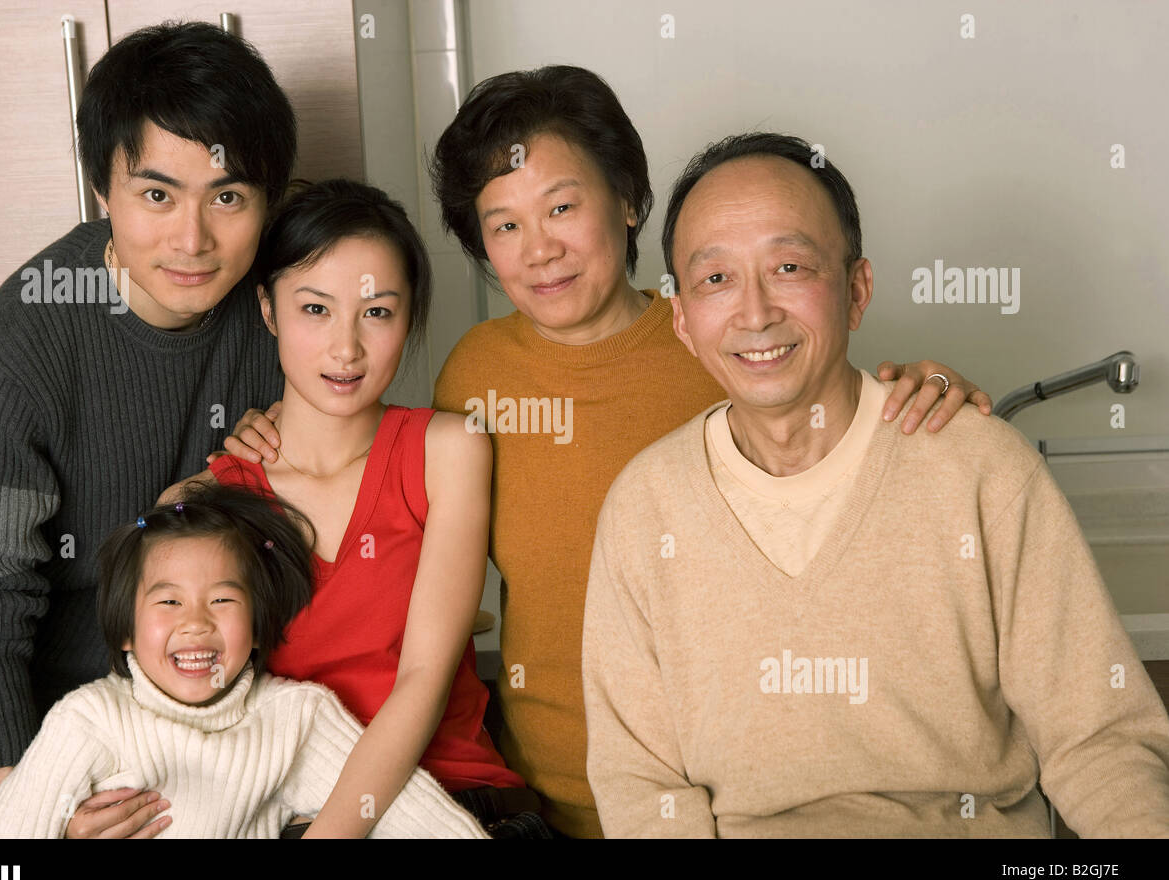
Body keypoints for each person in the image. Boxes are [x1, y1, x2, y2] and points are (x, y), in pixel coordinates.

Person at [228, 65, 994, 838]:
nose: (540, 251)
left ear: (627, 200)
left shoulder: (719, 335)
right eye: (504, 225)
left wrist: (923, 387)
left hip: (724, 804)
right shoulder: (475, 375)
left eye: (562, 206)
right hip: (539, 802)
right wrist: (263, 444)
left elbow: (834, 422)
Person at [582, 132, 1169, 837]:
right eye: (715, 279)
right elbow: (643, 786)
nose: (756, 312)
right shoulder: (647, 506)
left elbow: (1099, 739)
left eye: (790, 266)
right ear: (682, 319)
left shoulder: (981, 469)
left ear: (857, 289)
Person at [0, 21, 296, 838]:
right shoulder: (23, 341)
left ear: (268, 200)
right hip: (49, 736)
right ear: (102, 190)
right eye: (156, 195)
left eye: (227, 197)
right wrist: (33, 805)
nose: (192, 239)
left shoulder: (295, 312)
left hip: (225, 722)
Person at [163, 179, 542, 839]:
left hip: (451, 807)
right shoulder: (209, 502)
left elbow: (421, 679)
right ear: (269, 310)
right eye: (315, 310)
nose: (347, 349)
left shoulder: (449, 450)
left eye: (377, 312)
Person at [0, 484, 488, 838]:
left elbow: (420, 820)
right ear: (124, 632)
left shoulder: (295, 719)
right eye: (168, 602)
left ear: (256, 627)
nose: (197, 622)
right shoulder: (89, 719)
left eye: (223, 600)